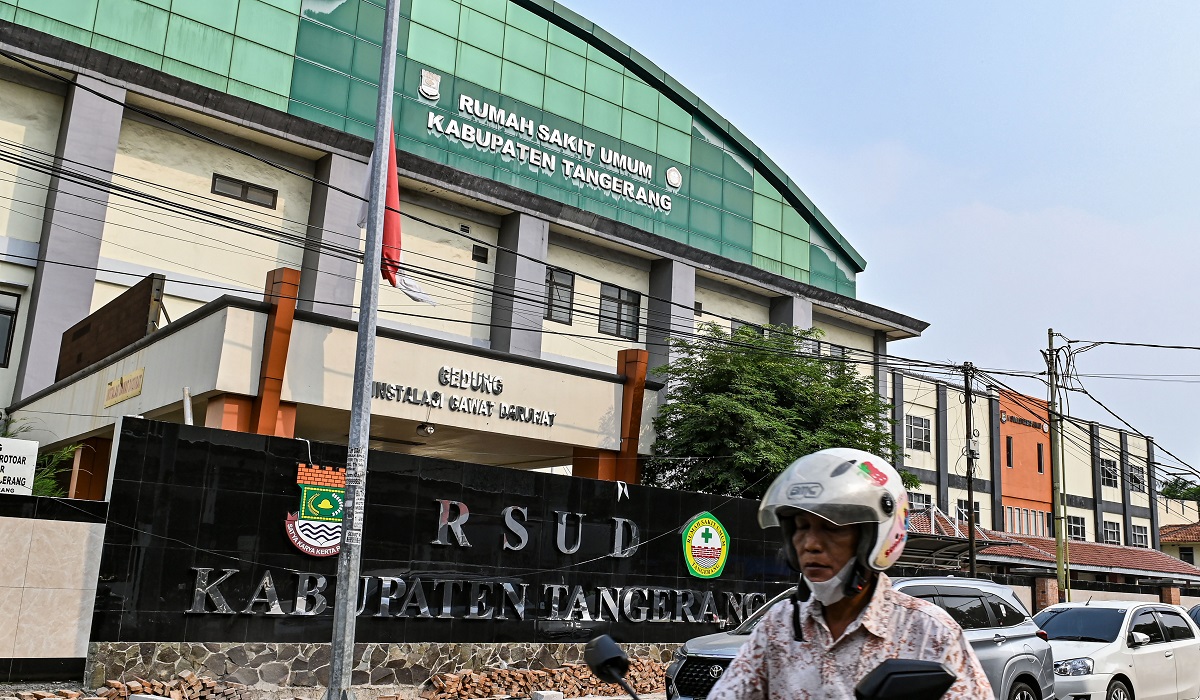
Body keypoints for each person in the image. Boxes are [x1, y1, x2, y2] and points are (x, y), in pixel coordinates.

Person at [708, 448, 993, 699]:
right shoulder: (778, 627)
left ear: (874, 537)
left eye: (832, 527)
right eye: (801, 526)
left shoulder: (929, 632)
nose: (810, 544)